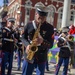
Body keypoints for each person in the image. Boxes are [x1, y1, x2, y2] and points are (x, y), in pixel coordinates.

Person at [21, 4, 54, 75]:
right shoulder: (29, 24)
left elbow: (51, 45)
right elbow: (23, 37)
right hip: (29, 55)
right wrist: (27, 45)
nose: (41, 19)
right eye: (40, 16)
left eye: (43, 17)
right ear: (36, 14)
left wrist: (42, 41)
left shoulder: (50, 28)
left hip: (42, 56)